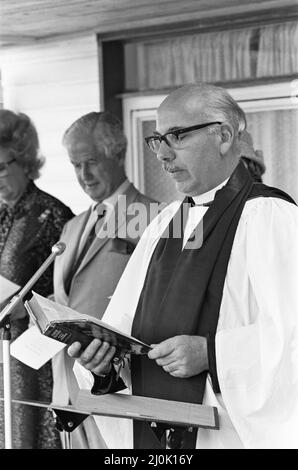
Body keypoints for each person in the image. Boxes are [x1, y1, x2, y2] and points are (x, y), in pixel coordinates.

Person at [68, 83, 298, 449]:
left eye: (176, 136)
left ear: (223, 136)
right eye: (157, 139)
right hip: (156, 425)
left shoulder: (269, 217)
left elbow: (290, 338)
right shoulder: (164, 223)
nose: (162, 155)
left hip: (224, 434)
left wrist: (210, 353)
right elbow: (122, 326)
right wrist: (102, 361)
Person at [52, 111, 159, 448]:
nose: (84, 174)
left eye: (91, 161)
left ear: (118, 153)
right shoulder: (71, 226)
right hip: (67, 391)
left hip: (118, 389)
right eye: (75, 164)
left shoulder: (156, 218)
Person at [0, 109, 74, 449]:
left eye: (2, 167)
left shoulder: (53, 214)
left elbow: (70, 292)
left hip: (32, 356)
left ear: (26, 161)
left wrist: (27, 306)